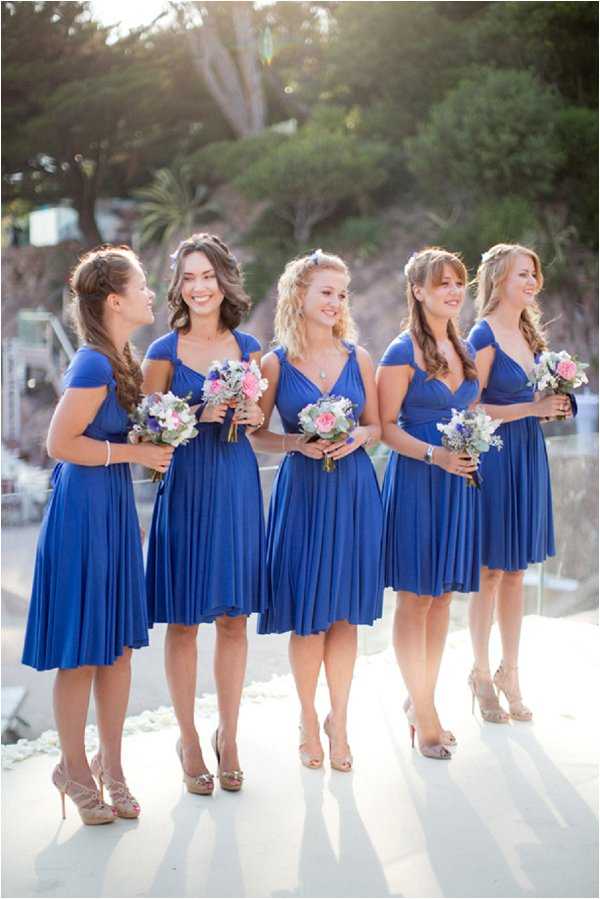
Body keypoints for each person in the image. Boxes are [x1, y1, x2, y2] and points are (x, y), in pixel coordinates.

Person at [22, 246, 173, 824]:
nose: (150, 294)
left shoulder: (122, 357)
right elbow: (60, 445)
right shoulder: (91, 363)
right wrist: (138, 452)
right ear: (115, 300)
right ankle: (74, 770)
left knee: (116, 650)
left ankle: (112, 765)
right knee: (82, 654)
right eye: (142, 286)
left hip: (109, 507)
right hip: (82, 513)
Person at [143, 233, 266, 794]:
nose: (198, 288)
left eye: (207, 277)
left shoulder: (250, 348)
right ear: (178, 286)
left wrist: (249, 410)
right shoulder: (161, 355)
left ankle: (230, 735)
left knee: (234, 617)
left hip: (238, 485)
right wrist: (197, 410)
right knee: (185, 619)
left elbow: (261, 423)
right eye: (188, 278)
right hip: (188, 487)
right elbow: (145, 432)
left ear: (224, 280)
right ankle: (188, 738)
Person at [251, 250, 383, 772]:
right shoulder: (275, 363)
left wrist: (358, 438)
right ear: (298, 296)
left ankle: (340, 721)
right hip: (303, 493)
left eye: (342, 294)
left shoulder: (360, 359)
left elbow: (377, 427)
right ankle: (307, 718)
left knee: (347, 617)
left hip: (353, 492)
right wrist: (296, 446)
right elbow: (258, 435)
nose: (336, 302)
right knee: (308, 621)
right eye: (326, 291)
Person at [377, 247, 479, 760]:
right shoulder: (400, 352)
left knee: (442, 598)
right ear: (417, 291)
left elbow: (472, 411)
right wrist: (436, 455)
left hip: (458, 483)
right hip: (419, 480)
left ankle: (424, 699)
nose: (453, 291)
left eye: (459, 283)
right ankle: (423, 709)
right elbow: (386, 428)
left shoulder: (463, 349)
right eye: (442, 284)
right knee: (415, 597)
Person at [467, 243, 571, 722]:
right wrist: (530, 408)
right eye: (520, 275)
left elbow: (536, 400)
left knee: (515, 572)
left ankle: (512, 671)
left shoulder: (531, 334)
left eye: (533, 273)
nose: (531, 282)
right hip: (495, 456)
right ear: (497, 281)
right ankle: (481, 674)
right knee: (489, 571)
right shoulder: (483, 335)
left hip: (529, 453)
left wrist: (555, 405)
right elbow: (471, 407)